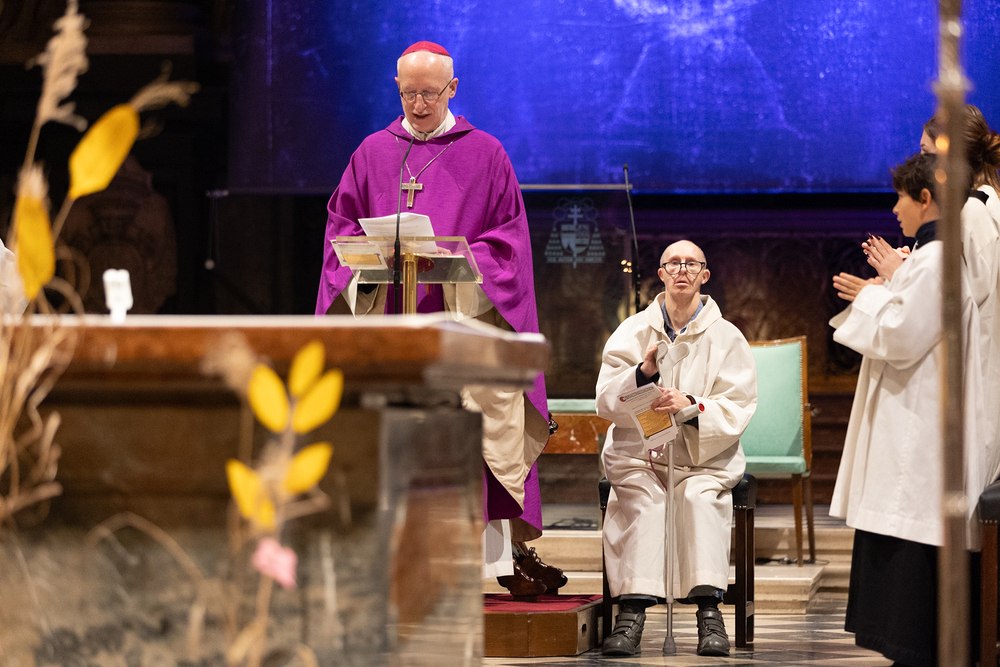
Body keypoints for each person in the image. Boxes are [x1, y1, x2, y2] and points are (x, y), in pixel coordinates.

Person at [314, 41, 560, 595]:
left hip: (463, 328)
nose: (419, 104)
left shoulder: (487, 154)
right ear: (396, 88)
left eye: (429, 93)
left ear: (453, 89)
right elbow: (339, 231)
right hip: (391, 329)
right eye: (409, 93)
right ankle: (383, 563)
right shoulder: (372, 152)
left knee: (485, 414)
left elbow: (510, 246)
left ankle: (485, 566)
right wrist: (370, 255)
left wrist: (454, 258)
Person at [830, 152, 985, 667]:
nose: (895, 209)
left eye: (900, 198)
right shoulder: (926, 259)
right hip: (912, 418)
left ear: (924, 198)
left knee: (912, 552)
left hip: (920, 431)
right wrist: (888, 287)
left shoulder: (937, 260)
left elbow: (900, 334)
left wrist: (873, 294)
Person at [596, 240, 757, 657]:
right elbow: (605, 400)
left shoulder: (728, 337)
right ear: (661, 274)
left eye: (691, 264)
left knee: (699, 500)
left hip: (703, 463)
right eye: (673, 264)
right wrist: (643, 374)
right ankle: (631, 615)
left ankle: (709, 614)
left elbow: (739, 404)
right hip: (640, 458)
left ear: (704, 275)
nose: (681, 270)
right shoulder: (632, 331)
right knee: (647, 504)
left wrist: (692, 405)